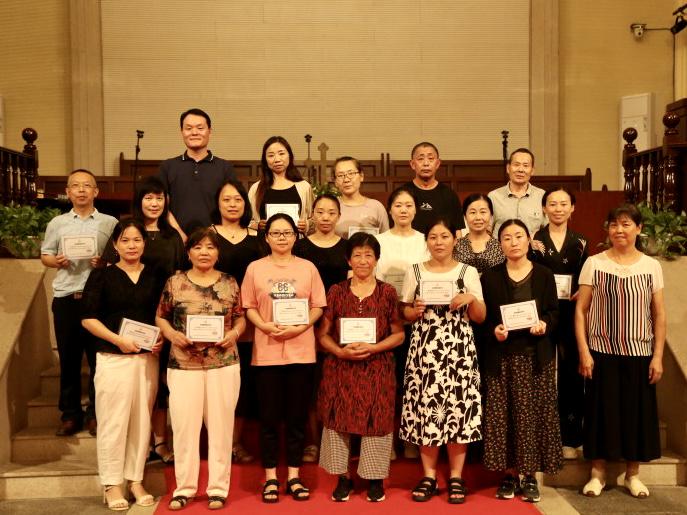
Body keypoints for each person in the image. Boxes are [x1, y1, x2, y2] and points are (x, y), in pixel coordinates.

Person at [575, 204, 665, 499]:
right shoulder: (594, 263)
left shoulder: (651, 266)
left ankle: (633, 474)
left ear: (638, 229)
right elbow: (581, 310)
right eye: (614, 224)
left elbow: (659, 314)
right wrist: (584, 352)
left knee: (636, 414)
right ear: (608, 230)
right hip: (601, 351)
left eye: (626, 224)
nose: (619, 230)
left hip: (640, 352)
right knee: (600, 413)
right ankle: (597, 474)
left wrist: (658, 356)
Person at [155, 228, 246, 511]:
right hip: (184, 364)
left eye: (210, 247)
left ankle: (218, 488)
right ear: (189, 252)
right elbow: (161, 317)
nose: (204, 252)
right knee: (184, 428)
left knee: (221, 428)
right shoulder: (175, 282)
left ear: (218, 252)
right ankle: (185, 488)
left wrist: (234, 334)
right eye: (198, 247)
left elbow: (241, 318)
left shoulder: (230, 282)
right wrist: (172, 336)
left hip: (223, 362)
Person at [81, 219, 166, 510]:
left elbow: (161, 315)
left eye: (137, 240)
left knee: (142, 422)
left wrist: (161, 340)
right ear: (115, 245)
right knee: (113, 422)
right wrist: (118, 340)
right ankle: (111, 483)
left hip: (146, 359)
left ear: (145, 243)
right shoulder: (101, 276)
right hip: (113, 359)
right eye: (126, 240)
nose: (132, 246)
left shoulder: (156, 275)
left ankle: (135, 479)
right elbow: (88, 318)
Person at [241, 213, 326, 503]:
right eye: (275, 233)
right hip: (266, 352)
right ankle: (270, 478)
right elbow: (248, 305)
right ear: (266, 238)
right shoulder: (254, 268)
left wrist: (302, 326)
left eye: (287, 233)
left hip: (301, 352)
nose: (281, 237)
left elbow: (318, 306)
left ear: (295, 236)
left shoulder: (308, 268)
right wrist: (263, 325)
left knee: (296, 418)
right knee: (268, 419)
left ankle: (293, 476)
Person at [399, 217, 486, 504]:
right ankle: (428, 475)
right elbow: (404, 315)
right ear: (427, 241)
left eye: (444, 236)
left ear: (454, 240)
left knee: (458, 410)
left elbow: (481, 317)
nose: (439, 242)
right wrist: (415, 309)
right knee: (427, 409)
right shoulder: (415, 272)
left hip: (459, 351)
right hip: (425, 350)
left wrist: (470, 298)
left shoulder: (467, 271)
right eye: (433, 237)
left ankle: (456, 476)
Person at [102, 176, 186, 465]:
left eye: (159, 198)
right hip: (128, 317)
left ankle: (161, 441)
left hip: (162, 317)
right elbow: (109, 264)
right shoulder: (126, 229)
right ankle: (139, 442)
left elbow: (180, 274)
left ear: (166, 202)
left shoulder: (171, 236)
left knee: (159, 383)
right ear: (139, 201)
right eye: (149, 197)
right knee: (137, 385)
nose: (154, 203)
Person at [316, 233, 404, 502]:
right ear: (348, 259)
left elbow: (398, 333)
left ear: (377, 259)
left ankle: (375, 479)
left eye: (369, 255)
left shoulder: (387, 292)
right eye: (357, 255)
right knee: (337, 420)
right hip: (341, 367)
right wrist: (341, 351)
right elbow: (323, 335)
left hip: (377, 367)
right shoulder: (336, 291)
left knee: (377, 420)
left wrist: (374, 348)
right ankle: (342, 477)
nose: (363, 260)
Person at [480, 219, 561, 503]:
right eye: (506, 238)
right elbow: (485, 317)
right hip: (501, 357)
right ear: (499, 244)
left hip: (535, 356)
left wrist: (544, 324)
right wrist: (495, 330)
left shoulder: (543, 274)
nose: (513, 242)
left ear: (529, 240)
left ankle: (529, 476)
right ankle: (509, 475)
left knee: (533, 417)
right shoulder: (489, 277)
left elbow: (554, 311)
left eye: (518, 236)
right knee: (503, 417)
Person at [40, 169, 118, 437]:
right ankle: (70, 414)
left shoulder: (110, 222)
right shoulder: (58, 223)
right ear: (68, 191)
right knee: (69, 360)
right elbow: (45, 255)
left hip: (98, 300)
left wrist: (104, 262)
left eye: (87, 186)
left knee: (100, 361)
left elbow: (118, 258)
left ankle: (96, 414)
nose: (82, 190)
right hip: (67, 297)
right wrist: (57, 260)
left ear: (96, 191)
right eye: (76, 186)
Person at [530, 187, 588, 460]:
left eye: (564, 204)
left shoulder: (581, 243)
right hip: (540, 315)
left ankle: (571, 436)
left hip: (571, 313)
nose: (558, 209)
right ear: (544, 208)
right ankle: (540, 435)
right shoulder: (534, 241)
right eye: (552, 204)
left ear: (572, 208)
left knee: (571, 374)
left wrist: (583, 291)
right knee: (540, 371)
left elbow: (587, 278)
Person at [293, 193, 350, 464]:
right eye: (320, 212)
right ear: (312, 215)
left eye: (331, 212)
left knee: (339, 384)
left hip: (341, 323)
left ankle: (342, 440)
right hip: (305, 320)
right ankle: (312, 442)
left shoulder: (348, 247)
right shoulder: (301, 247)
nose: (326, 217)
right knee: (310, 384)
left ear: (339, 216)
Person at [212, 178, 264, 464]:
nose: (233, 204)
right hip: (214, 323)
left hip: (249, 323)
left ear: (246, 204)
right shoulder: (206, 236)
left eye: (238, 200)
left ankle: (235, 443)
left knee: (243, 387)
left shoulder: (257, 238)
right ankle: (217, 444)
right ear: (217, 204)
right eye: (226, 199)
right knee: (217, 387)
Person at [375, 186, 428, 460]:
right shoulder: (380, 240)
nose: (404, 210)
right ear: (390, 209)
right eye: (398, 205)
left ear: (415, 209)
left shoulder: (425, 240)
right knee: (387, 384)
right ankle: (388, 441)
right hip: (387, 318)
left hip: (419, 319)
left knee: (414, 383)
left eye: (408, 205)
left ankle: (411, 439)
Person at [159, 108, 235, 239]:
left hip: (215, 240)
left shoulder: (225, 168)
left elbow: (233, 205)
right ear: (182, 132)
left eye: (200, 128)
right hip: (174, 239)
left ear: (209, 131)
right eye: (188, 128)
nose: (194, 132)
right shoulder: (168, 166)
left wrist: (212, 234)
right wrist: (179, 233)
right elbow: (159, 204)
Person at [247, 136, 314, 234]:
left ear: (290, 156)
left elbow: (315, 218)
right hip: (263, 245)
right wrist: (257, 225)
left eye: (281, 154)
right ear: (265, 160)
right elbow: (245, 219)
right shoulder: (256, 188)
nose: (277, 159)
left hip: (296, 245)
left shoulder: (304, 187)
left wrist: (306, 225)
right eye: (271, 155)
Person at [402, 142, 464, 236]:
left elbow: (457, 232)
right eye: (420, 159)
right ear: (412, 164)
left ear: (438, 163)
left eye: (431, 159)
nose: (426, 163)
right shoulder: (403, 193)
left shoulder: (449, 195)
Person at [488, 148, 546, 236]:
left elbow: (548, 230)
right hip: (500, 249)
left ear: (532, 170)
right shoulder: (494, 196)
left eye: (525, 165)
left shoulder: (542, 196)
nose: (520, 169)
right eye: (516, 164)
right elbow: (487, 231)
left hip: (533, 249)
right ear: (508, 168)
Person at [332, 156, 389, 238]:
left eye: (351, 173)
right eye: (340, 175)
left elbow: (385, 241)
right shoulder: (331, 207)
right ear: (335, 181)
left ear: (361, 176)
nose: (346, 180)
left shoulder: (376, 207)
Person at [453, 193, 505, 274]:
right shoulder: (455, 246)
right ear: (465, 216)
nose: (478, 217)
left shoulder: (501, 246)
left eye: (483, 212)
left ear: (491, 215)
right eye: (473, 212)